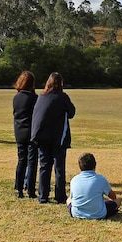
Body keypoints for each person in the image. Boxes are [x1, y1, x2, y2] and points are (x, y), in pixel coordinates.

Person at [31, 72, 76, 204]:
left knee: (44, 167)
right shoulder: (62, 97)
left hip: (42, 137)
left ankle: (43, 196)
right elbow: (72, 112)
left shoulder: (41, 97)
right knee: (59, 167)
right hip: (58, 138)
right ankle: (60, 195)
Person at [67, 152, 120, 219]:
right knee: (118, 201)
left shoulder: (74, 179)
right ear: (94, 165)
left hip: (76, 213)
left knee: (68, 199)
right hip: (98, 214)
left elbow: (72, 198)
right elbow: (113, 197)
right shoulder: (100, 179)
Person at [12, 71, 38, 199]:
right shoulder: (34, 98)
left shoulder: (16, 97)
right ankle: (31, 190)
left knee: (21, 160)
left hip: (19, 131)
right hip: (31, 132)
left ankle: (18, 188)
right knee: (32, 162)